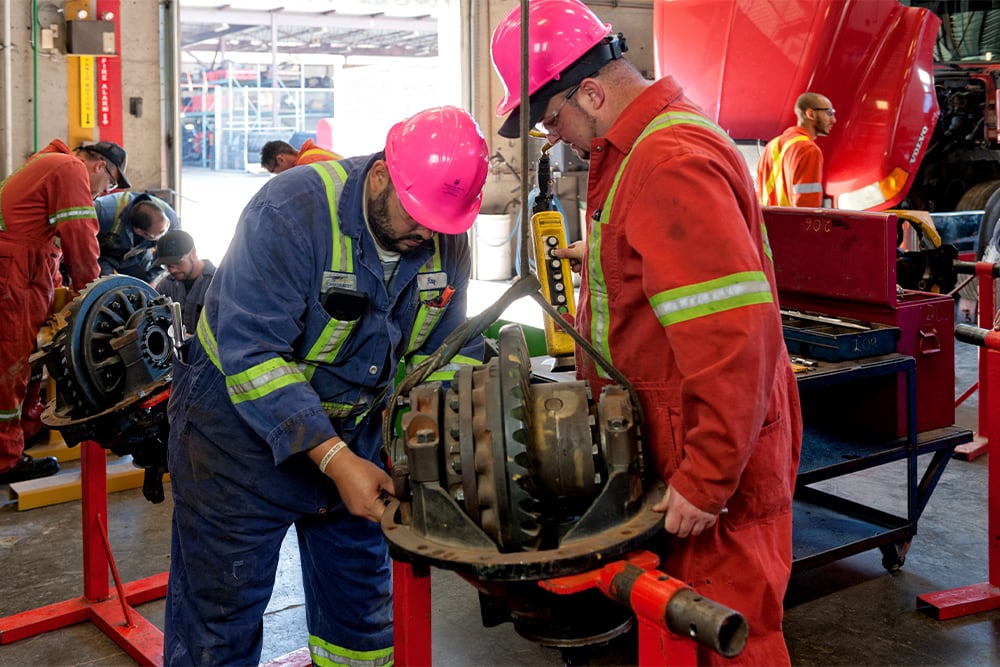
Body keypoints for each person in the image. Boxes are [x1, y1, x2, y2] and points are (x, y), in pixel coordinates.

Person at [490, 1, 802, 664]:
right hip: (681, 439)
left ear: (592, 92)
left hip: (710, 452)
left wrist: (707, 475)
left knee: (723, 638)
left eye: (553, 119)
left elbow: (730, 332)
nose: (558, 138)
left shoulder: (667, 161)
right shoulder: (652, 148)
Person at [163, 105, 490, 665]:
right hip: (234, 443)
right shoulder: (289, 211)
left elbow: (447, 352)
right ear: (383, 175)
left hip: (361, 438)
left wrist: (449, 439)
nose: (426, 234)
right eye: (417, 216)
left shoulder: (443, 236)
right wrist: (337, 461)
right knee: (219, 621)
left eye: (441, 223)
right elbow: (253, 354)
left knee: (361, 623)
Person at [0, 139, 129, 484]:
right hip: (14, 276)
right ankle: (6, 460)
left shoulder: (47, 166)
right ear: (101, 167)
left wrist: (60, 287)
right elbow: (80, 236)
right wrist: (92, 291)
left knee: (25, 361)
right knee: (11, 365)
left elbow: (50, 247)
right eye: (111, 184)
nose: (104, 193)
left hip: (21, 272)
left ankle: (24, 435)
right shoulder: (70, 169)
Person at [755, 91, 836, 207]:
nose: (834, 120)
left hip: (766, 223)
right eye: (829, 113)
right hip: (790, 224)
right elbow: (807, 207)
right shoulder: (808, 149)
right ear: (810, 114)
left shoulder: (772, 145)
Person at [94, 191, 180, 283]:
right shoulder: (102, 211)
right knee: (107, 287)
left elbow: (165, 255)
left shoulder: (171, 220)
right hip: (105, 256)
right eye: (160, 233)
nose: (164, 235)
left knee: (142, 289)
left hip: (139, 257)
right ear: (139, 231)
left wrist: (153, 280)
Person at [153, 230, 216, 337]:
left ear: (193, 253)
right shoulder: (165, 286)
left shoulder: (217, 282)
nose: (172, 270)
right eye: (167, 265)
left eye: (177, 263)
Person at [259, 138, 343, 174]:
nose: (279, 175)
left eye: (274, 171)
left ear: (281, 159)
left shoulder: (306, 165)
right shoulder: (312, 152)